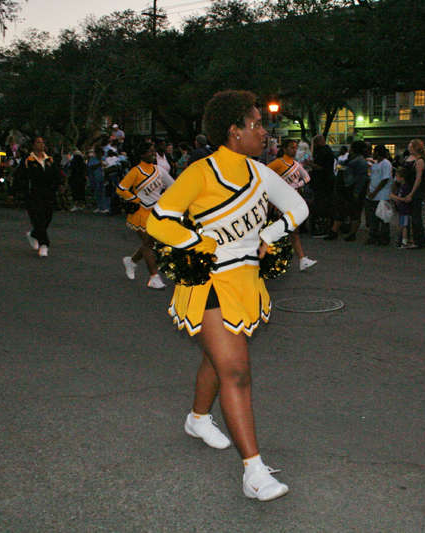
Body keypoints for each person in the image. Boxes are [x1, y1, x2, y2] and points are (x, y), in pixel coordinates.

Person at [146, 90, 308, 502]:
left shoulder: (260, 173)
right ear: (234, 132)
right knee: (235, 369)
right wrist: (199, 244)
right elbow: (159, 221)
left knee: (218, 357)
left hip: (247, 283)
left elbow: (297, 208)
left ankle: (198, 418)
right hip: (210, 282)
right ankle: (253, 472)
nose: (264, 131)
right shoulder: (202, 172)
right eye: (256, 125)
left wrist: (270, 234)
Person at [116, 142, 174, 289]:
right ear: (142, 154)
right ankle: (154, 278)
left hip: (156, 212)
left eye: (154, 151)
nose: (153, 154)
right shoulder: (136, 171)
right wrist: (134, 199)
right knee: (148, 243)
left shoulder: (159, 170)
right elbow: (121, 189)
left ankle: (132, 261)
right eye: (149, 151)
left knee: (152, 244)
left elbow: (173, 186)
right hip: (140, 212)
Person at [267, 139, 317, 270]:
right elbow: (263, 175)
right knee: (286, 231)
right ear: (284, 149)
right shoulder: (278, 163)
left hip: (292, 200)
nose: (294, 151)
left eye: (295, 148)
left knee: (293, 231)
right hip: (280, 201)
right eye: (291, 148)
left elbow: (307, 177)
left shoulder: (296, 164)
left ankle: (301, 259)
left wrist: (296, 184)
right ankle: (272, 257)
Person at [10, 137, 62, 258]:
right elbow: (19, 176)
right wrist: (13, 192)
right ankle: (44, 244)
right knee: (38, 217)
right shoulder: (28, 160)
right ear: (33, 145)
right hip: (33, 194)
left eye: (43, 143)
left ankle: (34, 235)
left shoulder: (49, 159)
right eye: (38, 142)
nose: (41, 145)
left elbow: (56, 173)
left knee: (47, 217)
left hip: (48, 193)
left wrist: (60, 184)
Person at [400, 139, 425, 249]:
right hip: (413, 189)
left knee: (416, 216)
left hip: (416, 191)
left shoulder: (420, 161)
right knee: (413, 215)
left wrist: (411, 193)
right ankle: (416, 239)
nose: (408, 147)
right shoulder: (416, 160)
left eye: (410, 146)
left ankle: (419, 241)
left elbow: (418, 179)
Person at [364, 144, 393, 245]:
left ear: (378, 153)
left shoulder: (386, 164)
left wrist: (375, 192)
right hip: (372, 195)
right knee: (373, 218)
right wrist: (368, 190)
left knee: (383, 217)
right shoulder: (375, 164)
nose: (372, 154)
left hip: (382, 195)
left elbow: (385, 179)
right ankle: (374, 236)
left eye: (374, 152)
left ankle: (384, 237)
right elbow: (371, 178)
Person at [390, 167, 412, 247]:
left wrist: (395, 197)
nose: (396, 178)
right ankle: (402, 240)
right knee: (402, 225)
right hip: (401, 209)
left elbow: (406, 199)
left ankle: (404, 241)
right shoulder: (401, 187)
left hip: (404, 209)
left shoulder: (405, 187)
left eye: (397, 176)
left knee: (404, 225)